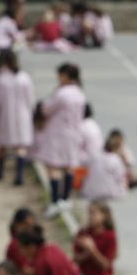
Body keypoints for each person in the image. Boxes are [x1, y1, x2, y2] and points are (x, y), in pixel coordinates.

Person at [36, 63, 86, 216]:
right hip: (73, 133)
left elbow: (46, 109)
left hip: (58, 134)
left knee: (53, 167)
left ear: (65, 76)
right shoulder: (79, 94)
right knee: (69, 166)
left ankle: (55, 200)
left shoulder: (62, 93)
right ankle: (65, 198)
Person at [0, 49, 35, 186]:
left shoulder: (1, 80)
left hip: (6, 115)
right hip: (23, 115)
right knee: (20, 146)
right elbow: (30, 99)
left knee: (3, 143)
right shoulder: (24, 78)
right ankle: (19, 175)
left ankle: (0, 170)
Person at [74, 202, 119, 275]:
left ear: (105, 216)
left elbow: (105, 265)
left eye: (94, 213)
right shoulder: (83, 233)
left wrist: (92, 250)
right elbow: (75, 259)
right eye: (89, 213)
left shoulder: (110, 237)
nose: (91, 217)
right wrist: (87, 252)